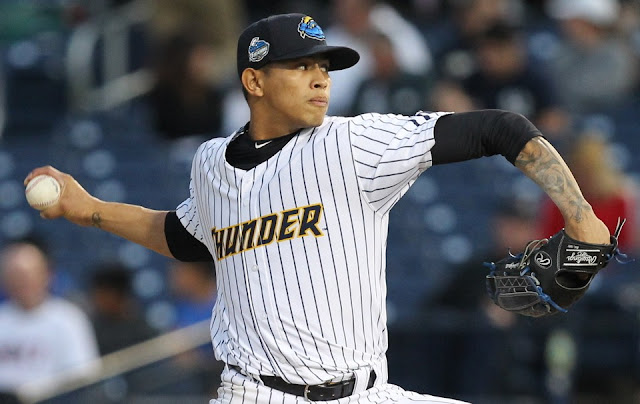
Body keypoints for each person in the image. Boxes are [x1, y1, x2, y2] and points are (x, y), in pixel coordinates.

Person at [25, 13, 611, 404]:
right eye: (301, 66)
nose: (320, 80)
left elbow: (502, 128)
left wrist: (582, 220)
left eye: (324, 68)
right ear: (254, 81)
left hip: (367, 393)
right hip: (256, 394)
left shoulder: (353, 144)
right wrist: (88, 209)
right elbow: (180, 235)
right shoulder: (210, 163)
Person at [0, 238, 99, 396]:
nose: (22, 282)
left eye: (27, 275)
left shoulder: (68, 319)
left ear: (47, 274)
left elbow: (82, 378)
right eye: (15, 276)